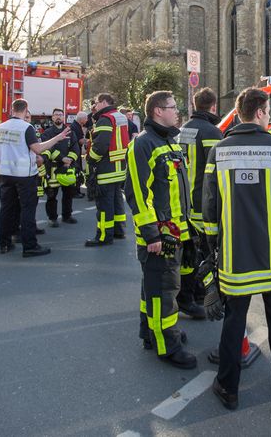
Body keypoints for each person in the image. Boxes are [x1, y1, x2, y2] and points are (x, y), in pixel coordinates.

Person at [201, 87, 271, 410]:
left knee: (234, 321)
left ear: (238, 114)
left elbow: (209, 210)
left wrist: (213, 249)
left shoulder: (219, 152)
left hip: (235, 261)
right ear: (262, 113)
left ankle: (228, 388)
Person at [124, 90, 197, 368]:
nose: (177, 111)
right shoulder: (143, 144)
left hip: (175, 231)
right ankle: (167, 343)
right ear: (157, 111)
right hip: (160, 235)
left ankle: (151, 332)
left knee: (155, 288)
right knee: (163, 289)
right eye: (172, 106)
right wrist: (152, 233)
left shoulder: (169, 141)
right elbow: (138, 193)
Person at [0, 98, 68, 256]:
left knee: (6, 209)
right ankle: (29, 246)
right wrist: (57, 139)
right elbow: (37, 149)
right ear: (26, 110)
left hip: (6, 173)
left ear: (12, 109)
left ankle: (4, 244)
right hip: (24, 175)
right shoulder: (26, 128)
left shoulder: (1, 127)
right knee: (27, 210)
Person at [176, 87, 224, 320]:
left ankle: (191, 295)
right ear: (213, 106)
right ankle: (197, 296)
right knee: (205, 254)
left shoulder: (182, 130)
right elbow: (218, 173)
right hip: (203, 205)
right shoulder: (212, 132)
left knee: (189, 253)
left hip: (184, 203)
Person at [86, 93, 131, 247]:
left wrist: (90, 159)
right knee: (117, 201)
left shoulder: (105, 119)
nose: (95, 106)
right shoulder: (119, 116)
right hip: (119, 168)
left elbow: (100, 146)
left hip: (106, 169)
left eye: (96, 103)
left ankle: (104, 236)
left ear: (104, 102)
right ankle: (119, 230)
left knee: (104, 205)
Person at [41, 108, 80, 226]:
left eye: (60, 115)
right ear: (52, 117)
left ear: (63, 117)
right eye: (56, 115)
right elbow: (48, 148)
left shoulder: (70, 132)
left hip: (67, 168)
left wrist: (70, 159)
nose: (58, 117)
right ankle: (52, 218)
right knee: (52, 195)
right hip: (52, 168)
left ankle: (67, 215)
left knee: (68, 193)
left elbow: (75, 147)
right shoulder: (47, 133)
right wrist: (62, 158)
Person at [70, 111, 89, 197]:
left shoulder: (76, 126)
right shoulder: (76, 127)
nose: (87, 120)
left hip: (76, 152)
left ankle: (77, 190)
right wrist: (90, 141)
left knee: (77, 171)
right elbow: (80, 140)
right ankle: (75, 192)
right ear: (81, 119)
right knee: (76, 171)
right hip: (75, 153)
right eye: (86, 118)